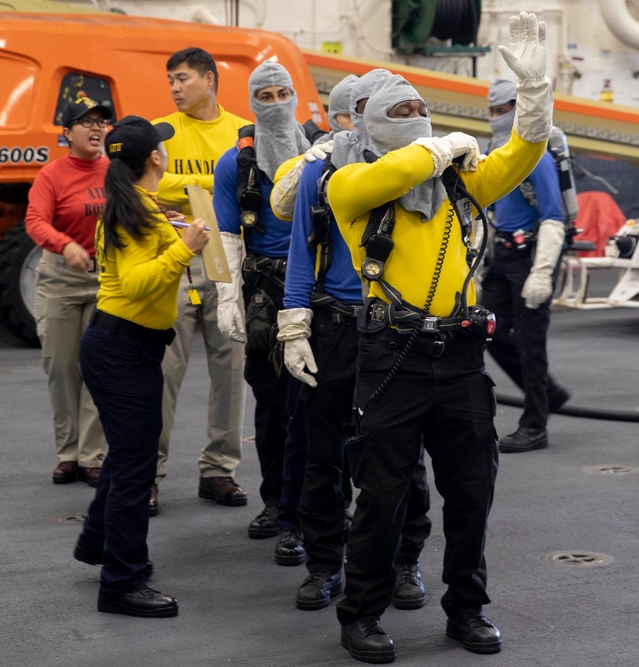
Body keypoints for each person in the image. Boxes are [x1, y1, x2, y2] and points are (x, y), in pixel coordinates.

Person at [295, 11, 552, 662]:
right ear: (372, 126)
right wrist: (438, 147)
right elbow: (385, 174)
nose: (416, 116)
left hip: (462, 357)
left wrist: (535, 94)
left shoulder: (458, 184)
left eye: (421, 108)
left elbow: (523, 155)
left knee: (472, 491)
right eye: (400, 110)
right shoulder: (349, 183)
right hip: (392, 359)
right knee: (381, 495)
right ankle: (361, 614)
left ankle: (467, 608)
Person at [273, 70, 432, 614]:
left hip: (397, 328)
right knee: (324, 456)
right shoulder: (321, 173)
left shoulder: (427, 171)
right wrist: (293, 325)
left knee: (402, 457)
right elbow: (300, 252)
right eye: (362, 106)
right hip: (336, 327)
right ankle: (323, 564)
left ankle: (404, 561)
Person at [73, 115, 209, 617]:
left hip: (126, 349)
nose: (167, 153)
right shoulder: (135, 213)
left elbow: (188, 190)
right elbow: (134, 285)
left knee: (126, 456)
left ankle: (97, 543)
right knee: (135, 468)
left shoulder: (137, 203)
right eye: (163, 148)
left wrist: (177, 229)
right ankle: (121, 583)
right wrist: (184, 248)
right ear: (155, 157)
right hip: (121, 351)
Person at [212, 60, 311, 563]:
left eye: (283, 93)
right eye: (265, 96)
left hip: (318, 294)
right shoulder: (235, 164)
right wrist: (227, 298)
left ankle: (318, 506)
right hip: (264, 296)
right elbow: (228, 238)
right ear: (252, 103)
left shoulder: (320, 155)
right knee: (273, 409)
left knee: (318, 407)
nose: (275, 104)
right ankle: (277, 502)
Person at [151, 46, 251, 515]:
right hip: (176, 259)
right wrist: (216, 186)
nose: (174, 87)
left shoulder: (240, 133)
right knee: (163, 370)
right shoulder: (160, 133)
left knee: (230, 370)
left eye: (184, 78)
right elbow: (143, 189)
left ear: (210, 80)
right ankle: (148, 472)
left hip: (227, 263)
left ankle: (219, 470)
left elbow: (255, 188)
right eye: (171, 78)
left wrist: (187, 190)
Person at [480, 78, 571, 454]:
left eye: (506, 111)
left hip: (531, 255)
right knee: (489, 331)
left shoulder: (537, 155)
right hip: (503, 254)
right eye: (494, 112)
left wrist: (541, 272)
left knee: (531, 345)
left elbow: (554, 216)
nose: (499, 119)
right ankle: (547, 391)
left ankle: (535, 424)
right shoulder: (494, 150)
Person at [26, 98, 112, 487]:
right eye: (86, 122)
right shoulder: (52, 175)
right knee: (61, 368)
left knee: (96, 368)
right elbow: (35, 221)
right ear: (67, 132)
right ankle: (68, 454)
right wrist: (65, 245)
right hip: (61, 279)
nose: (96, 128)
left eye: (101, 122)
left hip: (103, 279)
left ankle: (91, 456)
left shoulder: (114, 172)